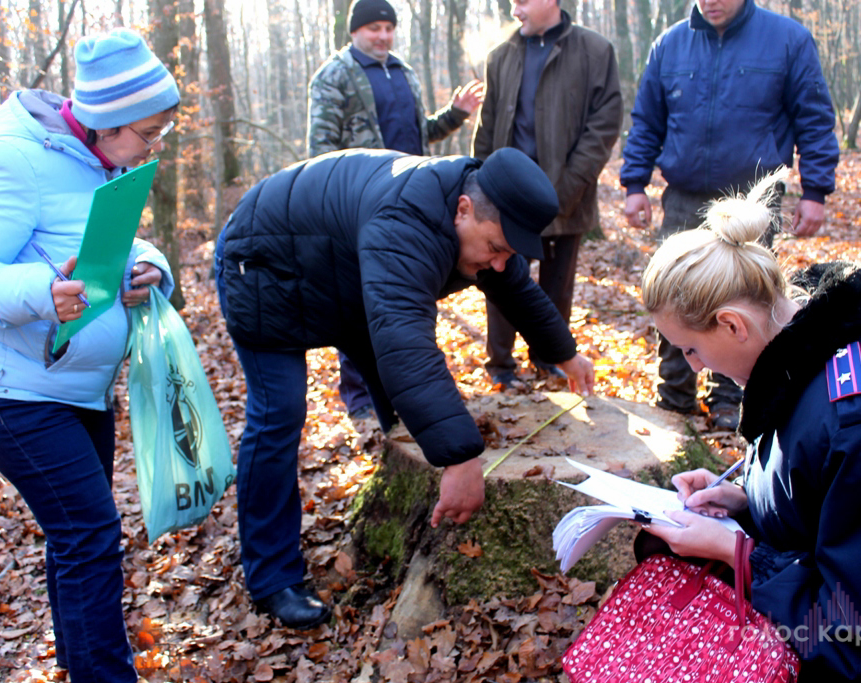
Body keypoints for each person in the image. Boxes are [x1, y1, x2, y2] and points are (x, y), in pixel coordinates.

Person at [215, 147, 595, 630]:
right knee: (279, 416)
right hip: (264, 265)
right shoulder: (406, 221)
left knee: (403, 412)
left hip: (342, 276)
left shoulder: (479, 212)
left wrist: (565, 352)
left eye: (508, 253)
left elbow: (515, 287)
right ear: (463, 209)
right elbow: (404, 339)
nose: (499, 263)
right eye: (496, 248)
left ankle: (399, 501)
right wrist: (460, 457)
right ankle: (272, 578)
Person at [636, 169, 861, 679]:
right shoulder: (806, 349)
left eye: (691, 349)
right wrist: (745, 498)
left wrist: (737, 552)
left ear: (732, 324)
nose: (694, 367)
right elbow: (825, 497)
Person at [0, 29, 178, 682]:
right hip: (11, 390)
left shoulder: (106, 161)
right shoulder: (17, 159)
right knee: (91, 533)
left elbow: (116, 245)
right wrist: (42, 292)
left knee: (80, 540)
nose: (152, 148)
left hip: (77, 387)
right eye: (147, 133)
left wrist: (149, 265)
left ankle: (86, 668)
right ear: (104, 122)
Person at [620, 0, 839, 429]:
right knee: (674, 294)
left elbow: (814, 118)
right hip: (683, 195)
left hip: (750, 202)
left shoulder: (788, 40)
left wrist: (816, 190)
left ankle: (732, 398)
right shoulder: (670, 44)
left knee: (739, 300)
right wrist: (634, 184)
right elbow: (647, 120)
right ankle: (675, 394)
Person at [307, 0, 485, 421]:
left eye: (388, 27)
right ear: (355, 32)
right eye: (373, 28)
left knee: (410, 299)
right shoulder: (334, 76)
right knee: (358, 302)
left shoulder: (403, 72)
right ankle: (361, 400)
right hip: (359, 207)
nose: (382, 36)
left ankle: (407, 390)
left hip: (412, 206)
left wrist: (455, 115)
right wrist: (333, 212)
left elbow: (419, 132)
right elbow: (321, 150)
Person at [473, 0, 622, 389]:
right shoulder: (501, 56)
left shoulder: (594, 50)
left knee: (557, 286)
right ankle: (501, 366)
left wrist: (568, 188)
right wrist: (482, 188)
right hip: (504, 201)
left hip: (567, 194)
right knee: (500, 278)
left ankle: (549, 358)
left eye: (522, 1)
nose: (514, 9)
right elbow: (487, 130)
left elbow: (604, 125)